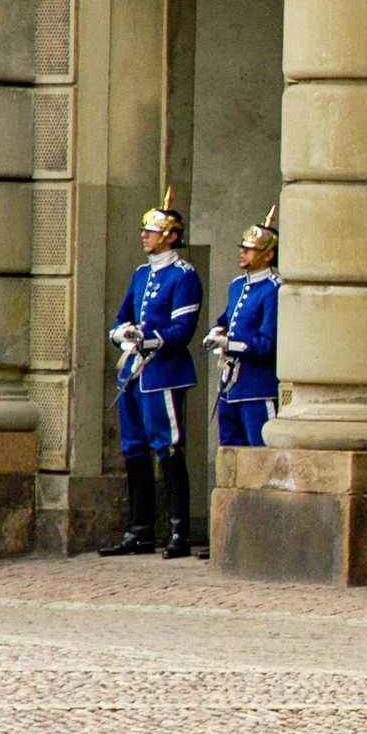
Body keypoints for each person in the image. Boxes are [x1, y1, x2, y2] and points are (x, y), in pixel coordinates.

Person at [102, 189, 204, 559]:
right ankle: (140, 529)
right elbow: (122, 316)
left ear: (171, 236)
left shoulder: (184, 276)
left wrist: (148, 339)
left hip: (162, 373)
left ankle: (179, 531)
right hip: (133, 372)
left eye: (152, 230)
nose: (144, 236)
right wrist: (121, 335)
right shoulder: (141, 274)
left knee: (168, 448)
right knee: (133, 450)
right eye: (145, 230)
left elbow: (182, 331)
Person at [205, 207, 280, 451]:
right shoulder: (238, 285)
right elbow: (227, 319)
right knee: (230, 449)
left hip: (258, 386)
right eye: (243, 247)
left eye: (250, 249)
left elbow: (267, 343)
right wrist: (217, 331)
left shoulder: (273, 288)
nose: (242, 252)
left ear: (268, 255)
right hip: (231, 385)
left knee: (260, 452)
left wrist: (230, 343)